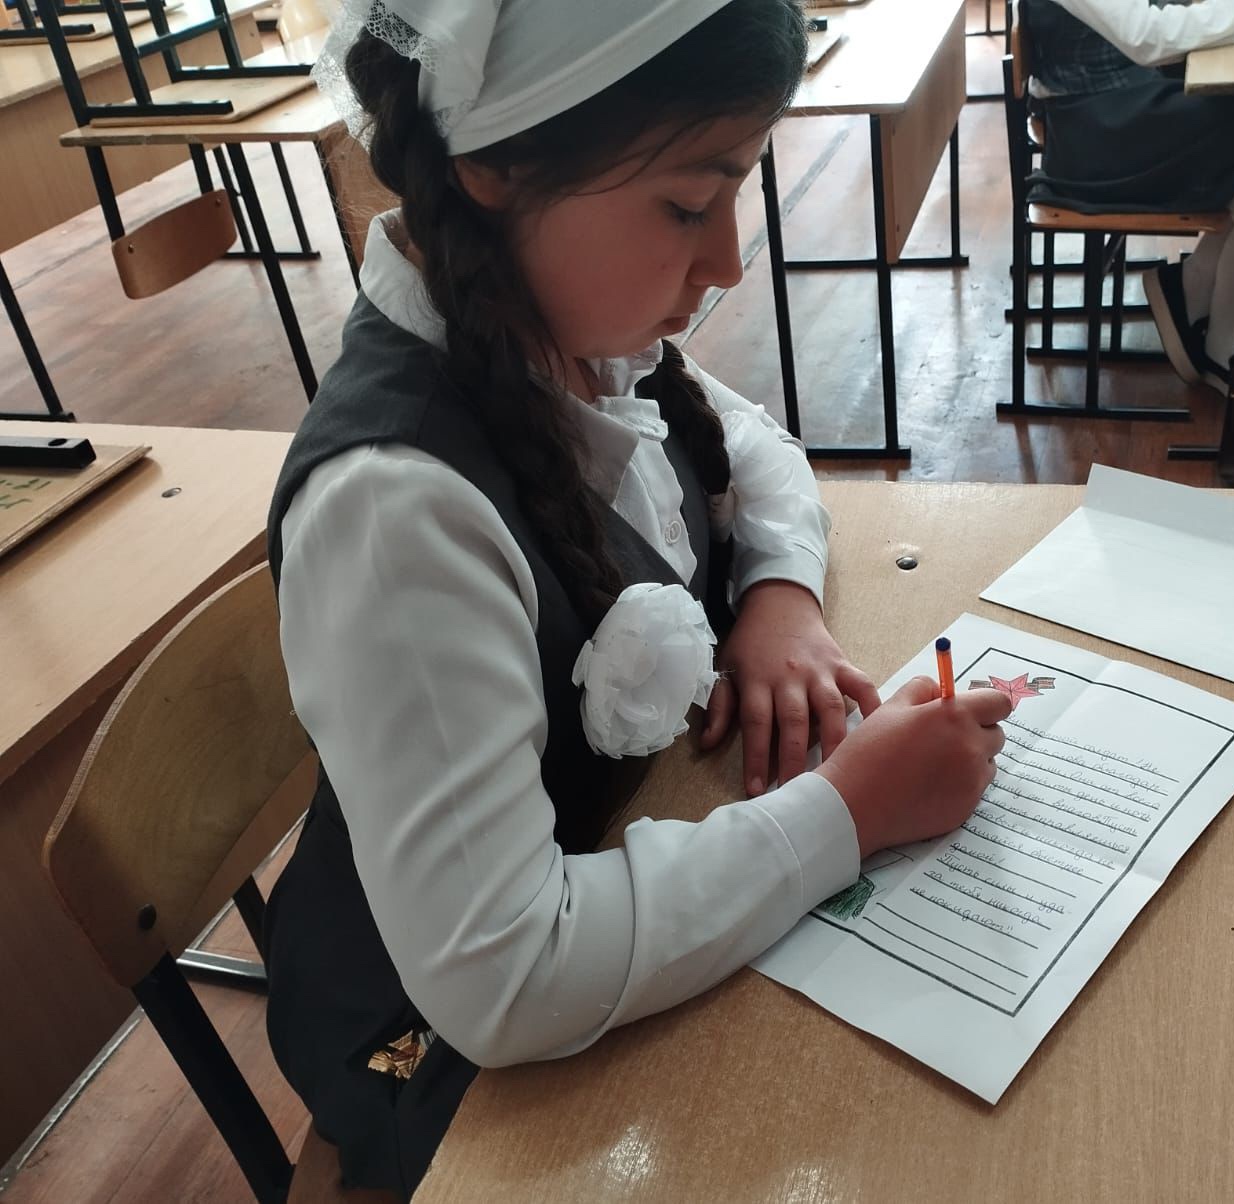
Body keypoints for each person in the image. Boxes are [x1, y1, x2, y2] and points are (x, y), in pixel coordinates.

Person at [262, 0, 1012, 1193]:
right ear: (497, 164)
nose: (727, 262)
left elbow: (754, 449)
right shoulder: (392, 512)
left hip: (623, 877)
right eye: (686, 205)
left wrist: (778, 598)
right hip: (444, 1056)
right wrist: (850, 811)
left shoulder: (558, 322)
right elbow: (508, 976)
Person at [1022, 0, 1234, 392]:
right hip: (1095, 134)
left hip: (1130, 100)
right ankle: (1217, 336)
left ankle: (1198, 287)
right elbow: (1147, 38)